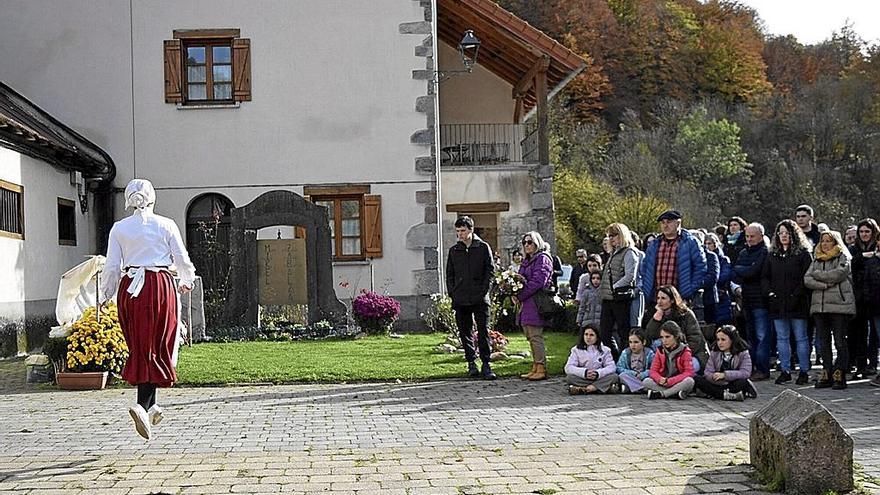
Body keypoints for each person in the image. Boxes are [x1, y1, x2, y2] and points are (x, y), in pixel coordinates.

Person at [100, 179, 196, 440]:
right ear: (152, 198)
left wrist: (105, 294)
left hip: (130, 288)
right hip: (159, 287)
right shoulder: (165, 224)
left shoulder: (119, 229)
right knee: (159, 342)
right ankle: (142, 406)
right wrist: (186, 281)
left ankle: (151, 406)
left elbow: (111, 267)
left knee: (141, 344)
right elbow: (181, 258)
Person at [762, 219, 813, 385]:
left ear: (794, 235)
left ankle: (804, 371)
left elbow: (806, 278)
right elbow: (765, 277)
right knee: (782, 339)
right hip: (777, 303)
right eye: (780, 233)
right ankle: (785, 370)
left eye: (787, 233)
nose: (783, 236)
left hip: (798, 302)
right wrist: (770, 294)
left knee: (801, 338)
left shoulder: (803, 254)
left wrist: (796, 295)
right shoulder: (772, 255)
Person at [445, 216, 496, 380]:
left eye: (463, 230)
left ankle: (486, 364)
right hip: (461, 298)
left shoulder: (482, 247)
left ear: (471, 230)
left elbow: (490, 271)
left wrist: (483, 291)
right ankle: (471, 363)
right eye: (458, 231)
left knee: (483, 331)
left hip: (480, 298)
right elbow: (449, 274)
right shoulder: (454, 250)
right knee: (464, 332)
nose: (460, 234)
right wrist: (453, 292)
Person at [804, 230, 855, 389]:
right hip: (820, 307)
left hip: (840, 305)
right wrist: (824, 284)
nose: (825, 244)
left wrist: (818, 275)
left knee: (840, 341)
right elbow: (807, 279)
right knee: (823, 341)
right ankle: (826, 371)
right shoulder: (816, 258)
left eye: (828, 241)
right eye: (823, 241)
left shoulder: (843, 256)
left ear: (835, 242)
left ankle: (839, 372)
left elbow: (839, 273)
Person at [639, 210, 707, 317]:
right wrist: (646, 290)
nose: (665, 225)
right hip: (656, 298)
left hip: (679, 297)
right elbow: (645, 268)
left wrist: (689, 290)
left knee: (679, 330)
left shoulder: (690, 242)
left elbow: (700, 268)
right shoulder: (654, 244)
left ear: (678, 223)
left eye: (669, 222)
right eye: (663, 223)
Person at [732, 222, 771, 380]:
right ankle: (751, 366)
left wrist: (743, 270)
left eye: (752, 236)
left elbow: (753, 271)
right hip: (746, 299)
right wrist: (744, 270)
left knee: (762, 336)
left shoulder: (765, 252)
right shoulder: (743, 253)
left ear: (761, 236)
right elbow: (737, 273)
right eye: (747, 236)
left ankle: (762, 368)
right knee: (750, 337)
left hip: (761, 300)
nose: (749, 239)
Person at [513, 231, 554, 381]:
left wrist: (521, 294)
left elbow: (538, 281)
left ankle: (541, 367)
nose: (526, 245)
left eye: (529, 242)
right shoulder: (527, 261)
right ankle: (536, 366)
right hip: (526, 303)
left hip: (536, 302)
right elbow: (519, 278)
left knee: (535, 335)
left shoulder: (542, 259)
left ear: (537, 243)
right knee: (529, 335)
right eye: (524, 242)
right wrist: (514, 291)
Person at [644, 285, 710, 373]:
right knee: (657, 343)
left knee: (687, 369)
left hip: (692, 354)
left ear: (672, 300)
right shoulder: (658, 314)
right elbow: (649, 337)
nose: (659, 302)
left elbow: (695, 339)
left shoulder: (686, 314)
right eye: (658, 298)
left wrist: (680, 354)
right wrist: (656, 319)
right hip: (669, 356)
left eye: (663, 298)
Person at [599, 223, 640, 358]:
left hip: (620, 298)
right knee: (605, 333)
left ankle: (625, 360)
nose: (611, 239)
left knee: (624, 332)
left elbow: (630, 275)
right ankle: (616, 358)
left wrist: (614, 287)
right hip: (608, 298)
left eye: (614, 235)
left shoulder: (629, 252)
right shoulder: (613, 253)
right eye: (609, 236)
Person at [848, 218, 880, 381]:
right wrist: (862, 257)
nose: (864, 234)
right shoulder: (853, 249)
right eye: (861, 232)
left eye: (867, 231)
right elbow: (850, 266)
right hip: (859, 297)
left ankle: (873, 364)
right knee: (859, 334)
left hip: (876, 298)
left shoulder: (878, 248)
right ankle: (861, 365)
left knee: (876, 334)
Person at [694, 325, 756, 401]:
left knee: (742, 382)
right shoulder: (715, 352)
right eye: (718, 340)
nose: (720, 343)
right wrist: (714, 376)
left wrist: (725, 375)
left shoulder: (743, 353)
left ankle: (717, 394)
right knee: (698, 379)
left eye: (723, 340)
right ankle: (727, 395)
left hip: (733, 382)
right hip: (718, 383)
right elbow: (708, 372)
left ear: (732, 339)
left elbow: (745, 373)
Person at [643, 321, 696, 399]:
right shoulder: (660, 350)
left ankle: (662, 394)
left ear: (676, 336)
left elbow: (689, 372)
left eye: (667, 337)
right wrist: (659, 379)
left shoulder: (685, 351)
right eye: (662, 337)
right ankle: (674, 393)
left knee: (690, 381)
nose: (664, 340)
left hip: (678, 382)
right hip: (664, 382)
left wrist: (671, 381)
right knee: (646, 382)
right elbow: (653, 371)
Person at [565, 324, 619, 395]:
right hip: (584, 378)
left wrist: (598, 373)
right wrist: (584, 373)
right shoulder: (576, 350)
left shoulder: (605, 350)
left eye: (591, 335)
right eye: (586, 334)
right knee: (570, 378)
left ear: (597, 337)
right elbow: (568, 367)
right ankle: (601, 388)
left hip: (599, 378)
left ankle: (587, 389)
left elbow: (611, 367)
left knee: (614, 377)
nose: (588, 337)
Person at [704, 233, 734, 325]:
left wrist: (712, 279)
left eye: (709, 244)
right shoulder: (703, 259)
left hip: (721, 295)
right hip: (708, 296)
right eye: (705, 244)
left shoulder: (724, 259)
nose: (707, 246)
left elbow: (725, 276)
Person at [616, 328, 655, 393]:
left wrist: (643, 374)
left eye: (636, 342)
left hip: (644, 378)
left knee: (649, 380)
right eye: (630, 342)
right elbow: (619, 368)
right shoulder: (625, 353)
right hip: (631, 377)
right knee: (621, 376)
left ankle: (633, 388)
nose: (633, 345)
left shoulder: (649, 353)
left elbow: (653, 369)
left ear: (644, 342)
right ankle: (642, 389)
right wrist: (633, 373)